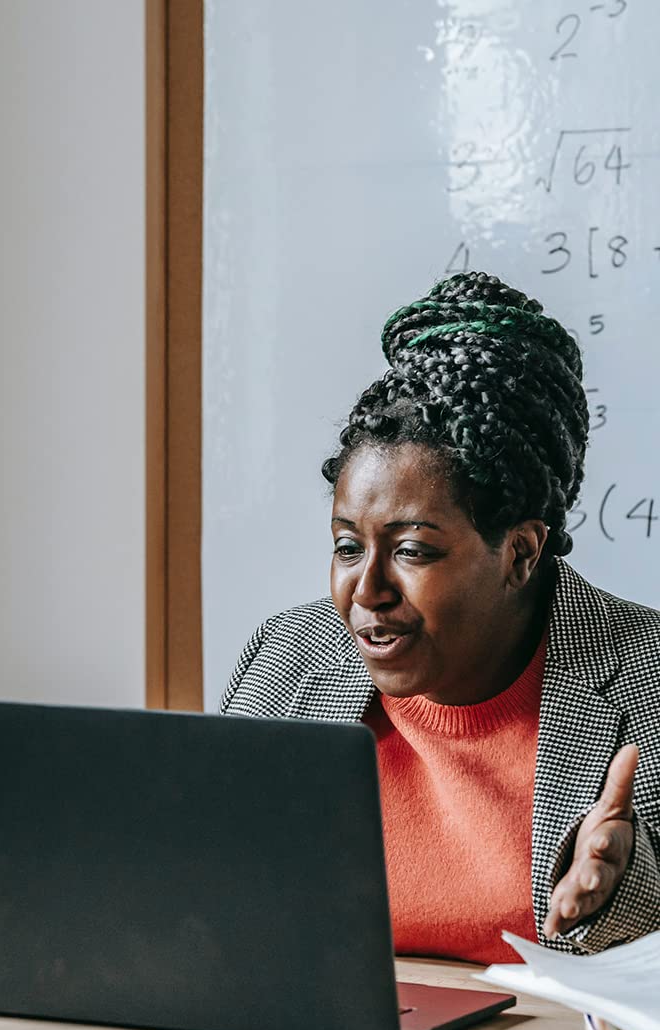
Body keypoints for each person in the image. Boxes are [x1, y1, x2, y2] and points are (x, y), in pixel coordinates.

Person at [220, 271, 660, 962]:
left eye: (413, 550)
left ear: (519, 552)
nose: (367, 589)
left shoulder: (647, 678)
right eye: (346, 545)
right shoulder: (285, 657)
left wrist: (619, 891)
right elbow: (221, 897)